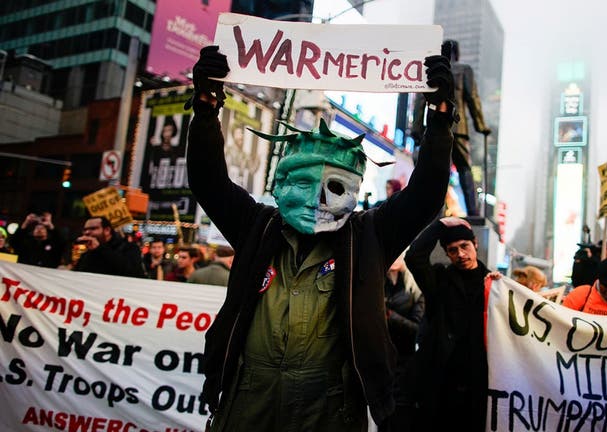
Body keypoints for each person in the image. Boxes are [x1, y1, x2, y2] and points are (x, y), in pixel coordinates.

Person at [185, 44, 454, 430]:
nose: (316, 201)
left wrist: (440, 120)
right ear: (280, 185)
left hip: (328, 413)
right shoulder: (256, 226)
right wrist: (207, 105)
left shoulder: (369, 236)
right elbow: (208, 181)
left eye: (334, 188)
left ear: (355, 191)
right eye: (302, 183)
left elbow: (426, 194)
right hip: (247, 405)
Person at [405, 217, 501, 431]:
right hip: (443, 377)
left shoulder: (493, 283)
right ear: (447, 253)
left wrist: (500, 289)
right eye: (453, 250)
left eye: (464, 246)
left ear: (475, 243)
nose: (460, 255)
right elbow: (414, 257)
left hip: (479, 376)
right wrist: (440, 226)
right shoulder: (439, 279)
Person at [411, 39, 490, 217]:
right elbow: (473, 99)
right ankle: (473, 212)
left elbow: (420, 102)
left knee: (439, 171)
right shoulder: (464, 70)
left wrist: (416, 129)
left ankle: (438, 212)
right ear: (458, 53)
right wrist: (481, 126)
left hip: (436, 128)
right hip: (459, 128)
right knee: (464, 171)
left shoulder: (432, 70)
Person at [378, 253, 424, 432]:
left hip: (404, 360)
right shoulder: (379, 282)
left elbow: (416, 328)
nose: (395, 258)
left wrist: (389, 315)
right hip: (381, 357)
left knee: (400, 413)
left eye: (400, 254)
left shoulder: (415, 289)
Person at [72, 216, 147, 278]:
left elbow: (132, 272)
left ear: (107, 230)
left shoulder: (129, 248)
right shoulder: (87, 254)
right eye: (85, 230)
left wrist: (100, 249)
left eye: (93, 228)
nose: (87, 232)